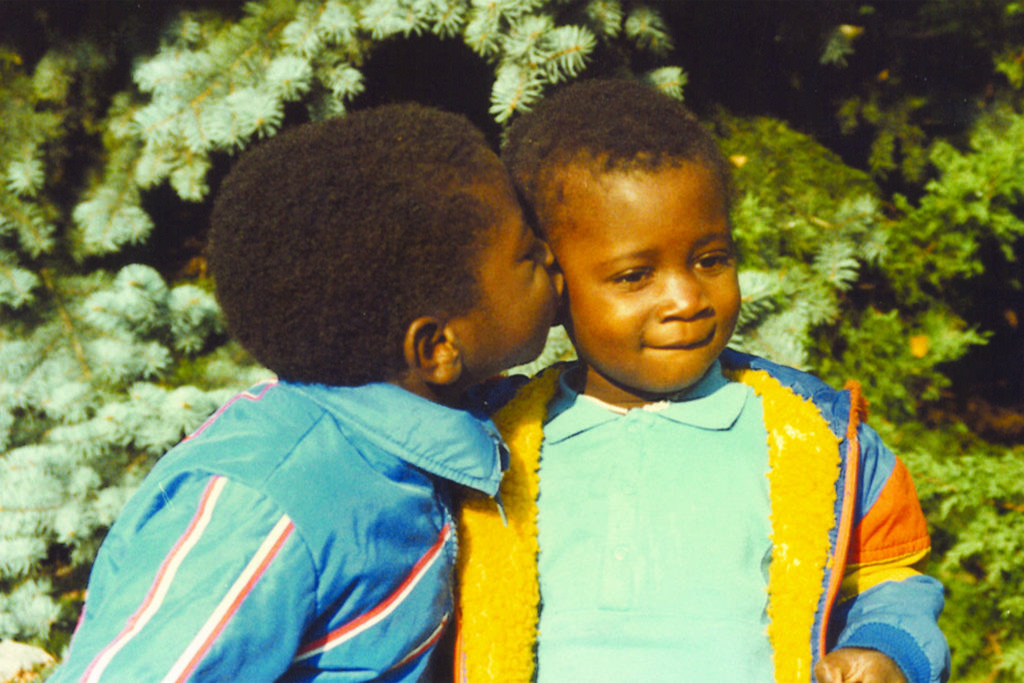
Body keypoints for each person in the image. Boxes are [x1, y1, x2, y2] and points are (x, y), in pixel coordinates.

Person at [454, 79, 950, 683]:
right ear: (555, 283)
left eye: (711, 260)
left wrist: (885, 650)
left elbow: (889, 578)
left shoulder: (813, 437)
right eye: (636, 276)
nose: (686, 298)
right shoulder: (488, 446)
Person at [52, 103, 560, 682]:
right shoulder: (271, 503)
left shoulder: (448, 425)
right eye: (526, 254)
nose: (551, 256)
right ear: (437, 347)